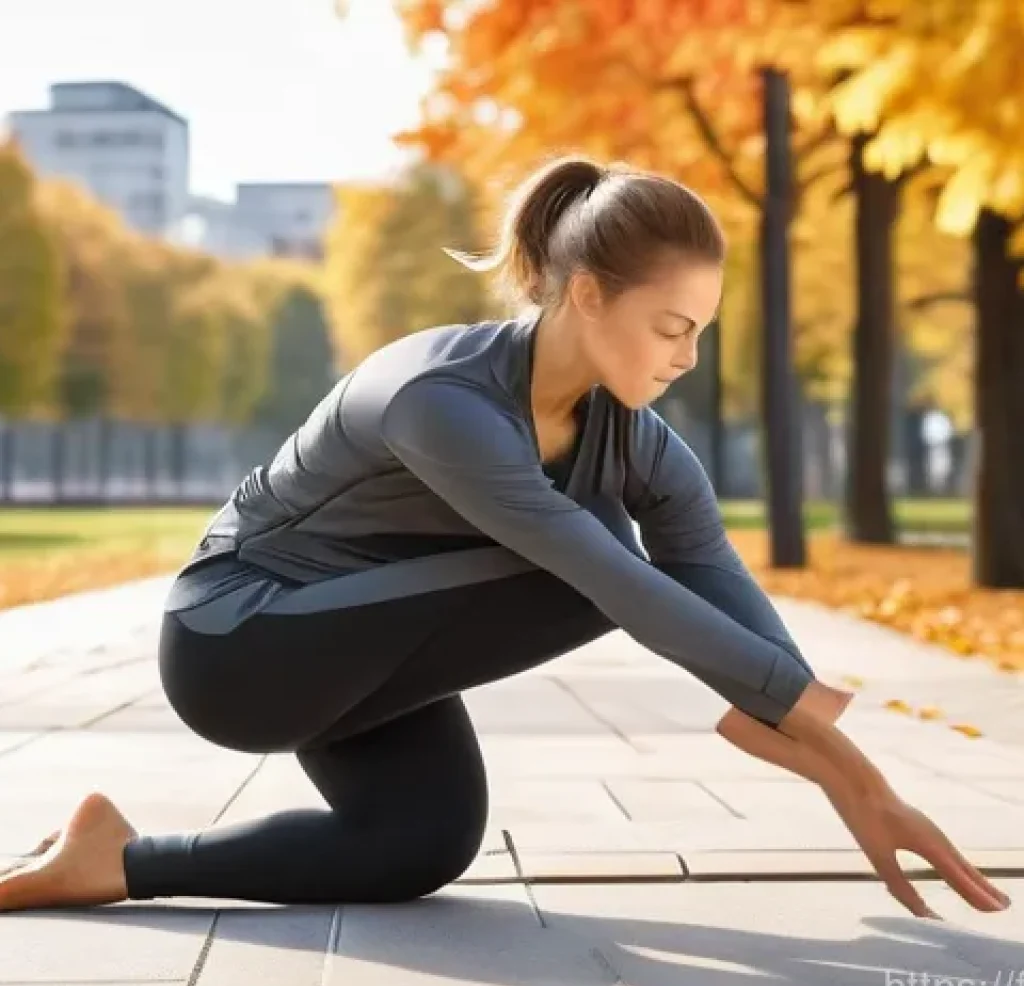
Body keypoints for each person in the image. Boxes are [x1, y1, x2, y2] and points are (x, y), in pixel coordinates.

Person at [0, 155, 1008, 920]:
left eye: (701, 329)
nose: (689, 357)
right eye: (671, 327)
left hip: (357, 655)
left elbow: (709, 572)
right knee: (594, 547)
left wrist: (845, 772)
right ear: (586, 294)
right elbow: (617, 581)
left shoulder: (635, 438)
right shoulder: (439, 398)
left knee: (420, 840)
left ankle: (116, 858)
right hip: (240, 643)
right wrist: (833, 747)